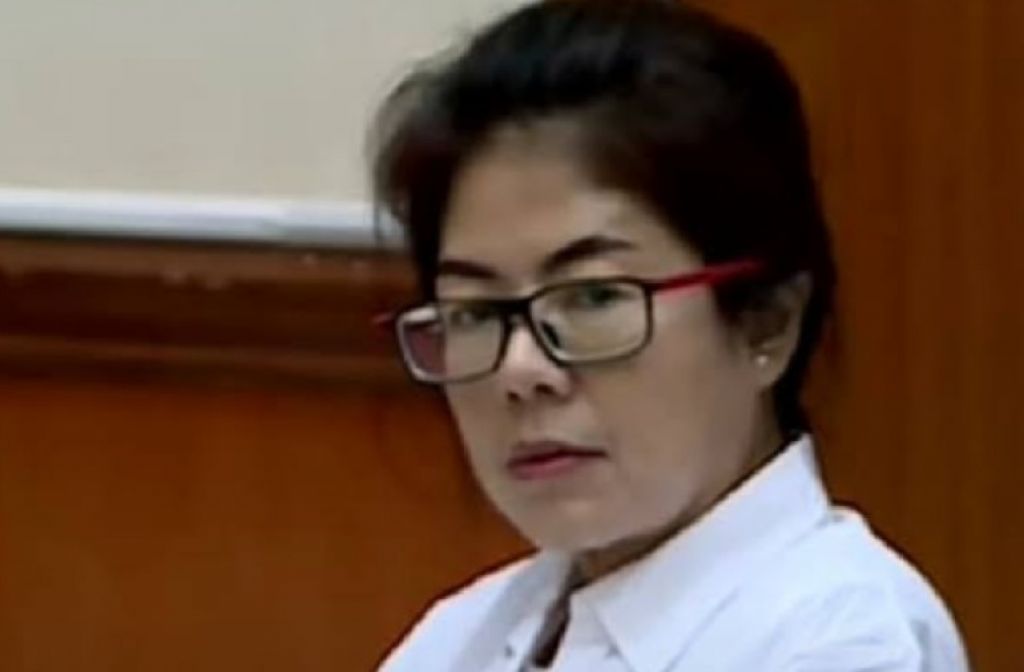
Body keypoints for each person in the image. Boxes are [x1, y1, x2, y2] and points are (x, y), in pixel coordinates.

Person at [369, 1, 969, 670]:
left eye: (593, 296)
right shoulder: (461, 636)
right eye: (474, 311)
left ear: (766, 321)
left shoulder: (843, 639)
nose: (521, 369)